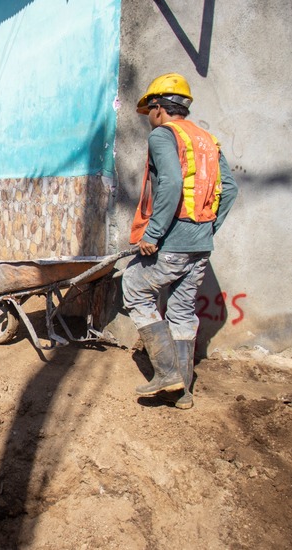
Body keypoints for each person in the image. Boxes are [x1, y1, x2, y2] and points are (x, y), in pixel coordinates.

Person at [122, 73, 238, 409]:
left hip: (172, 241)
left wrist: (153, 234)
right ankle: (183, 392)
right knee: (182, 309)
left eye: (150, 112)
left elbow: (171, 184)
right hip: (201, 244)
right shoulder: (207, 139)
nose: (150, 120)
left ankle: (167, 372)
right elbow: (229, 190)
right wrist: (205, 230)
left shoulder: (163, 135)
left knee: (133, 283)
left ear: (159, 108)